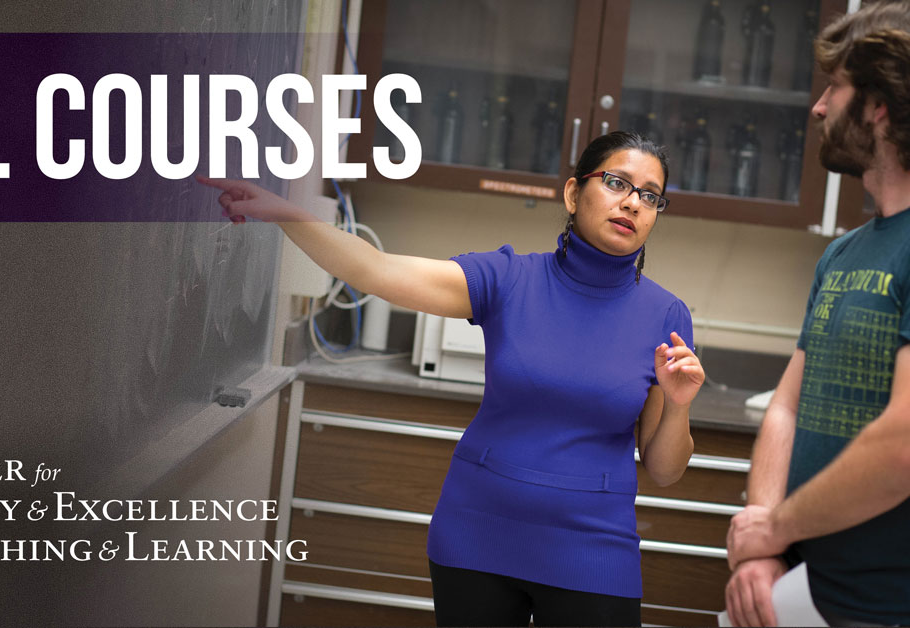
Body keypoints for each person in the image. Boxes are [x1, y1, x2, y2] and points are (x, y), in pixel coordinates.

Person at [200, 130, 704, 627]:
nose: (633, 203)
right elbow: (377, 270)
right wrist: (285, 212)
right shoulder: (509, 280)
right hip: (477, 534)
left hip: (596, 551)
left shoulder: (665, 316)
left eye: (649, 196)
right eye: (616, 182)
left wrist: (679, 403)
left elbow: (663, 469)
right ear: (574, 194)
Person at [725, 3, 910, 626]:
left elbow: (904, 443)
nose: (819, 107)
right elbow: (787, 406)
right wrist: (763, 549)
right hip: (800, 594)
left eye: (835, 86)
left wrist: (772, 527)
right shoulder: (842, 255)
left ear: (878, 104)